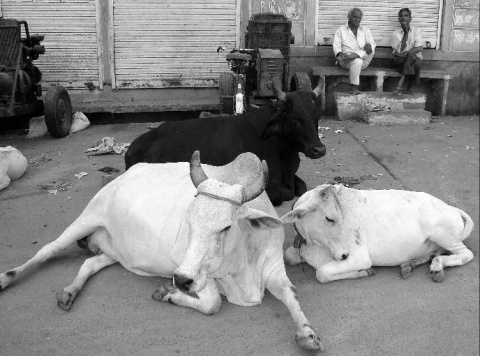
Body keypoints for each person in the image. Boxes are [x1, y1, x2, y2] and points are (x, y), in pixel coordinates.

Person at [333, 8, 375, 95]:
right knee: (357, 61)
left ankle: (354, 55)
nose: (357, 20)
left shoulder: (365, 30)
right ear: (349, 17)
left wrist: (369, 46)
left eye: (359, 18)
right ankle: (354, 87)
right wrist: (341, 54)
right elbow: (336, 46)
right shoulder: (341, 30)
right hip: (346, 61)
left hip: (364, 60)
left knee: (368, 51)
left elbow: (372, 44)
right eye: (355, 17)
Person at [392, 8, 423, 95]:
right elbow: (399, 53)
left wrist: (408, 53)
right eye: (401, 16)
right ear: (399, 19)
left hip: (412, 60)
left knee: (416, 61)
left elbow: (419, 48)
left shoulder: (417, 31)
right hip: (400, 62)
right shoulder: (395, 34)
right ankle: (410, 87)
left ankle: (401, 84)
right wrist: (405, 34)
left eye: (406, 15)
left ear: (410, 18)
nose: (403, 17)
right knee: (414, 58)